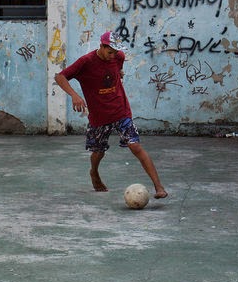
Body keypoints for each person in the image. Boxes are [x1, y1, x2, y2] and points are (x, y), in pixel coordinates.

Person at [55, 30, 168, 199]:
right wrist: (75, 95)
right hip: (99, 116)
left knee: (135, 146)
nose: (112, 56)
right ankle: (94, 172)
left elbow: (116, 70)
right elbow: (60, 77)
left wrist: (118, 73)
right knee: (98, 152)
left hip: (120, 110)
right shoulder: (85, 62)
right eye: (109, 52)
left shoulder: (118, 57)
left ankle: (159, 187)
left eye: (115, 52)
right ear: (101, 46)